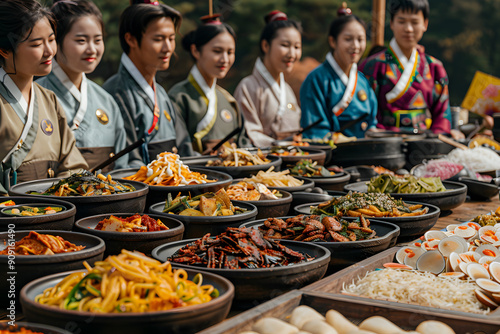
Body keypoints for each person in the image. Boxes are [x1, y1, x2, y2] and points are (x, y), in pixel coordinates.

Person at [0, 0, 88, 193]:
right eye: (37, 44)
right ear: (5, 50)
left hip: (55, 211)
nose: (49, 51)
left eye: (51, 39)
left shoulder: (49, 99)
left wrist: (63, 198)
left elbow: (72, 166)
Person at [37, 0, 127, 173]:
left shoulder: (106, 101)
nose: (92, 49)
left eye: (98, 40)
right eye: (81, 40)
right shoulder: (35, 97)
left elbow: (122, 164)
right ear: (56, 40)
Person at [102, 1, 193, 165]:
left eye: (171, 39)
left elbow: (184, 148)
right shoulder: (116, 92)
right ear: (130, 39)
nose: (168, 48)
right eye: (158, 39)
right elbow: (127, 162)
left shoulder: (160, 92)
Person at [359, 0, 459, 138]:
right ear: (392, 23)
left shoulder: (434, 67)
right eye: (401, 21)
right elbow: (364, 112)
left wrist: (438, 138)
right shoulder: (373, 65)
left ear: (425, 24)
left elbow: (442, 116)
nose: (408, 29)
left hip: (424, 144)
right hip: (383, 144)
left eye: (414, 22)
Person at [168, 15, 249, 153]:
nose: (225, 59)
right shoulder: (179, 97)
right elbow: (181, 150)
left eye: (230, 52)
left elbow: (245, 146)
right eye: (217, 51)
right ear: (195, 51)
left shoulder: (229, 101)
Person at [300, 5, 378, 139]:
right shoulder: (316, 79)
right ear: (333, 41)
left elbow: (371, 123)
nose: (355, 46)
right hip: (332, 155)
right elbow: (314, 130)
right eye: (348, 39)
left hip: (364, 153)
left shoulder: (362, 81)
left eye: (360, 39)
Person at [234, 10, 302, 147]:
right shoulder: (248, 87)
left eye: (297, 47)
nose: (292, 54)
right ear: (266, 45)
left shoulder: (287, 89)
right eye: (285, 45)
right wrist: (280, 145)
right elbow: (249, 134)